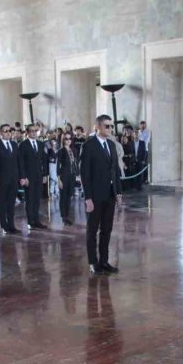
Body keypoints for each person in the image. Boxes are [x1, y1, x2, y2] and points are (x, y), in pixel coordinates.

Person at [80, 115, 122, 274]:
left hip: (109, 195)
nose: (110, 129)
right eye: (107, 126)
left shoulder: (111, 145)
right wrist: (88, 198)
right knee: (92, 230)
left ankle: (104, 261)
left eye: (111, 126)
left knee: (107, 229)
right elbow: (85, 174)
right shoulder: (89, 146)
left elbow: (115, 171)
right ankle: (93, 262)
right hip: (95, 196)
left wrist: (118, 192)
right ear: (97, 127)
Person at [0, 123, 21, 234]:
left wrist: (21, 177)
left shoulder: (14, 145)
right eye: (5, 131)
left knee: (11, 203)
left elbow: (18, 162)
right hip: (1, 178)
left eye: (9, 130)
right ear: (1, 133)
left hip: (13, 178)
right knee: (2, 202)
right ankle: (4, 225)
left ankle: (12, 224)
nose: (8, 133)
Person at [18, 123, 49, 230]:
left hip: (39, 175)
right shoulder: (23, 145)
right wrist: (23, 177)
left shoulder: (40, 144)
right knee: (30, 199)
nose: (33, 133)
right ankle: (30, 221)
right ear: (27, 132)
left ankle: (37, 220)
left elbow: (44, 160)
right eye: (31, 131)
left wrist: (45, 174)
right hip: (28, 176)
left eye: (35, 131)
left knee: (37, 199)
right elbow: (21, 163)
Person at [57, 131, 80, 225]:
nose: (68, 140)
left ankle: (67, 215)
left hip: (72, 176)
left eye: (70, 138)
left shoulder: (74, 150)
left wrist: (78, 175)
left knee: (69, 196)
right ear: (63, 140)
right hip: (63, 176)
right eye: (66, 139)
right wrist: (59, 180)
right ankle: (64, 216)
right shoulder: (61, 151)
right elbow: (57, 166)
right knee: (63, 197)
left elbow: (76, 164)